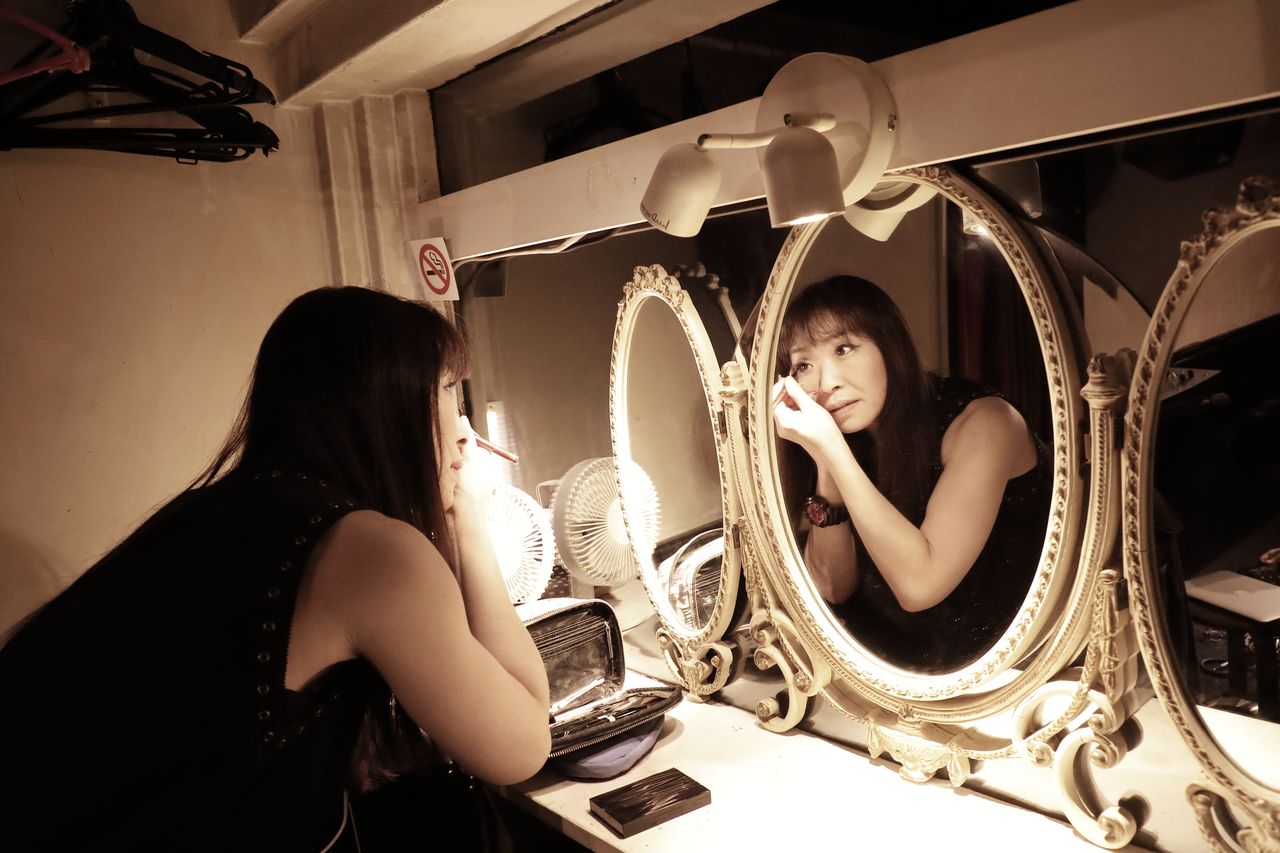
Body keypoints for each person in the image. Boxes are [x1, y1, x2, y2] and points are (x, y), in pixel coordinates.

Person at [0, 286, 552, 851]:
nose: (464, 429)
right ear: (388, 401)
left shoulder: (220, 510)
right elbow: (523, 746)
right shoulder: (373, 555)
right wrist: (467, 516)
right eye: (448, 390)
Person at [772, 275, 1052, 673]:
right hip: (888, 670)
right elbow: (831, 587)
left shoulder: (988, 422)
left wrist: (833, 449)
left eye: (844, 349)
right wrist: (825, 459)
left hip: (1001, 672)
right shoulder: (850, 435)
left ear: (888, 345)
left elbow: (920, 587)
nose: (827, 383)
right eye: (803, 365)